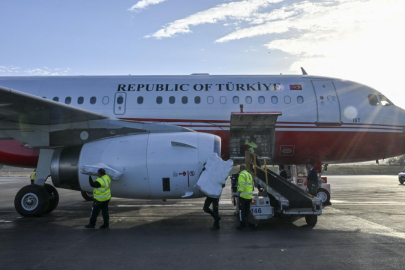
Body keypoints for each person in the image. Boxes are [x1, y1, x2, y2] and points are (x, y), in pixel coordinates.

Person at [236, 164, 254, 230]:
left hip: (243, 196)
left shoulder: (242, 175)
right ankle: (250, 223)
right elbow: (252, 185)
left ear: (240, 169)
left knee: (241, 211)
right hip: (249, 196)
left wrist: (238, 192)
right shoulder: (249, 175)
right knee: (247, 211)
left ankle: (242, 225)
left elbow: (241, 185)